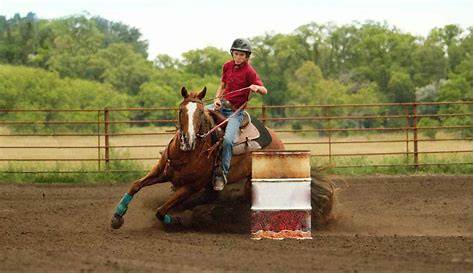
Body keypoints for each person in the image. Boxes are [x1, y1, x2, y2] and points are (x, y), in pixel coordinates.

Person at [207, 38, 267, 191]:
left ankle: (222, 174)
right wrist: (216, 99)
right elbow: (222, 85)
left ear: (247, 57)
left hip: (235, 112)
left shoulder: (250, 72)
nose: (238, 57)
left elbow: (264, 90)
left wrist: (256, 87)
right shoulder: (227, 66)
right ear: (232, 53)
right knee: (196, 113)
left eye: (242, 55)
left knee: (228, 141)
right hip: (221, 106)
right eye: (236, 53)